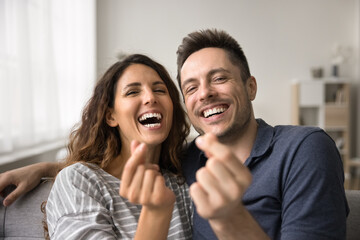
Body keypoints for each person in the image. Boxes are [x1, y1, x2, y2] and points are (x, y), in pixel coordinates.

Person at [0, 29, 349, 240]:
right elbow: (95, 173)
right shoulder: (184, 166)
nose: (205, 93)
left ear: (251, 86)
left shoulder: (301, 149)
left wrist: (230, 217)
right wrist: (52, 169)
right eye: (191, 86)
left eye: (220, 78)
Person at [31, 54, 193, 239]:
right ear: (111, 116)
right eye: (132, 92)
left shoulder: (181, 182)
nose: (150, 97)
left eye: (160, 90)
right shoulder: (79, 180)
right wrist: (156, 214)